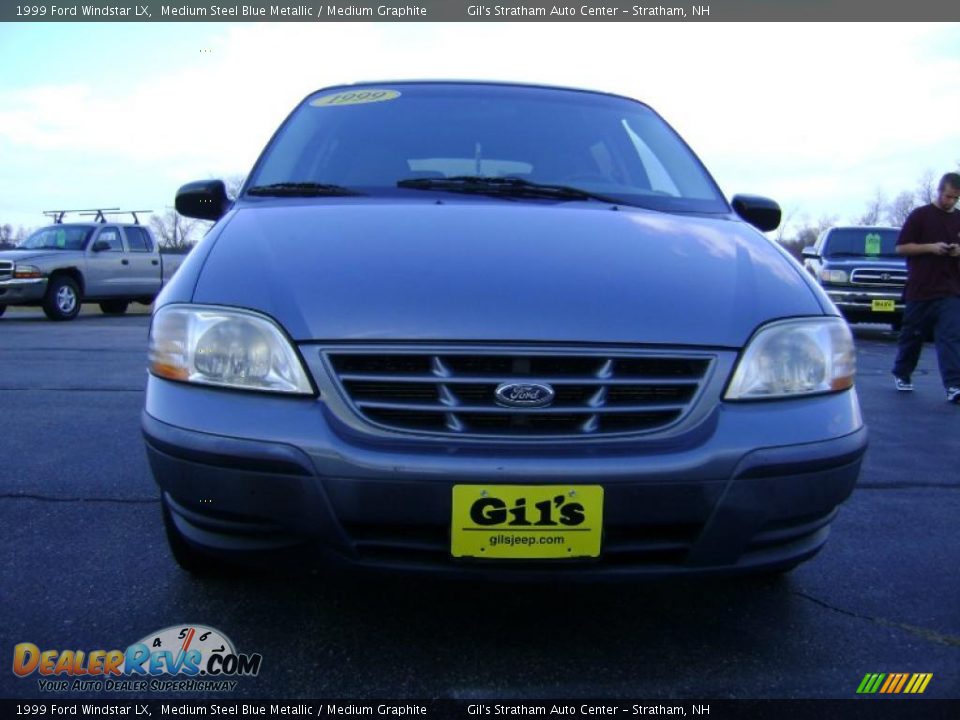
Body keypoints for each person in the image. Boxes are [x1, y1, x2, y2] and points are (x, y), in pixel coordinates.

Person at [891, 172, 960, 403]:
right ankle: (902, 373)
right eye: (948, 196)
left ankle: (954, 386)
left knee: (950, 337)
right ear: (939, 191)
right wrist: (931, 247)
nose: (950, 201)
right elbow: (901, 248)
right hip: (920, 288)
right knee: (912, 335)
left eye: (955, 198)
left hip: (950, 289)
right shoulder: (920, 216)